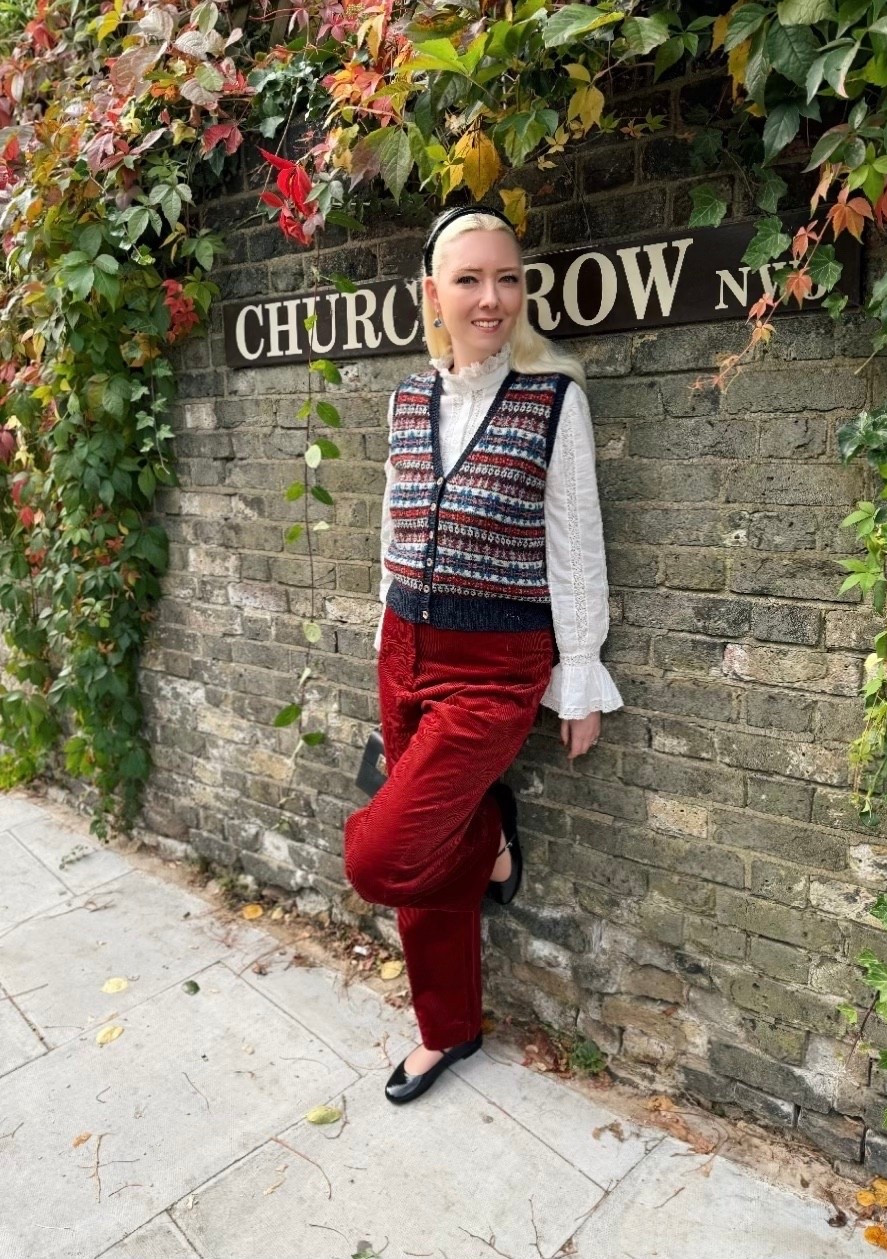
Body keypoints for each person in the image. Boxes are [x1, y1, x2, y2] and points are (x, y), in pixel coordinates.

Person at [343, 203, 623, 1105]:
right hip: (406, 650)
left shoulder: (552, 401)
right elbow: (392, 524)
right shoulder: (407, 399)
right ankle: (447, 1028)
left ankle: (493, 829)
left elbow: (577, 544)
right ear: (434, 293)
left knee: (381, 857)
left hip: (496, 668)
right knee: (424, 856)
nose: (491, 297)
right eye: (469, 280)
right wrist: (383, 637)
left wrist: (578, 672)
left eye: (507, 278)